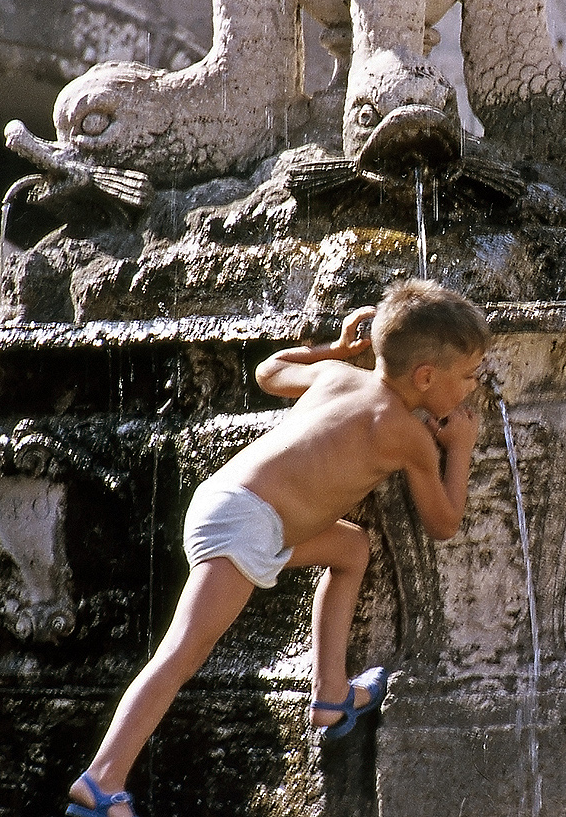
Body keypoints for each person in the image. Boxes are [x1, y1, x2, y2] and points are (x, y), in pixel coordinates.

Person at [66, 278, 490, 817]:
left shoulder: (339, 375)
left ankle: (332, 697)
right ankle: (102, 780)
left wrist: (333, 350)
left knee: (349, 548)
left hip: (230, 502)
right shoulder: (404, 433)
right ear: (426, 376)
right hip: (247, 525)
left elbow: (269, 372)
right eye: (470, 376)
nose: (474, 388)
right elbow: (444, 522)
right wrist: (460, 448)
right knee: (180, 655)